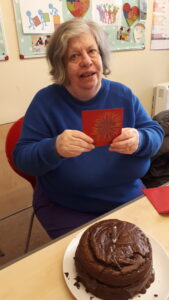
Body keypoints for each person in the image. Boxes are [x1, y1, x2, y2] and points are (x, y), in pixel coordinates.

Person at [13, 18, 164, 239]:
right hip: (69, 208)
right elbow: (22, 157)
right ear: (61, 65)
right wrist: (54, 147)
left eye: (92, 51)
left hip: (128, 199)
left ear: (102, 56)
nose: (86, 61)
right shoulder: (46, 102)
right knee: (90, 266)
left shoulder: (122, 94)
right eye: (74, 56)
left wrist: (141, 139)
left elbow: (156, 133)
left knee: (146, 255)